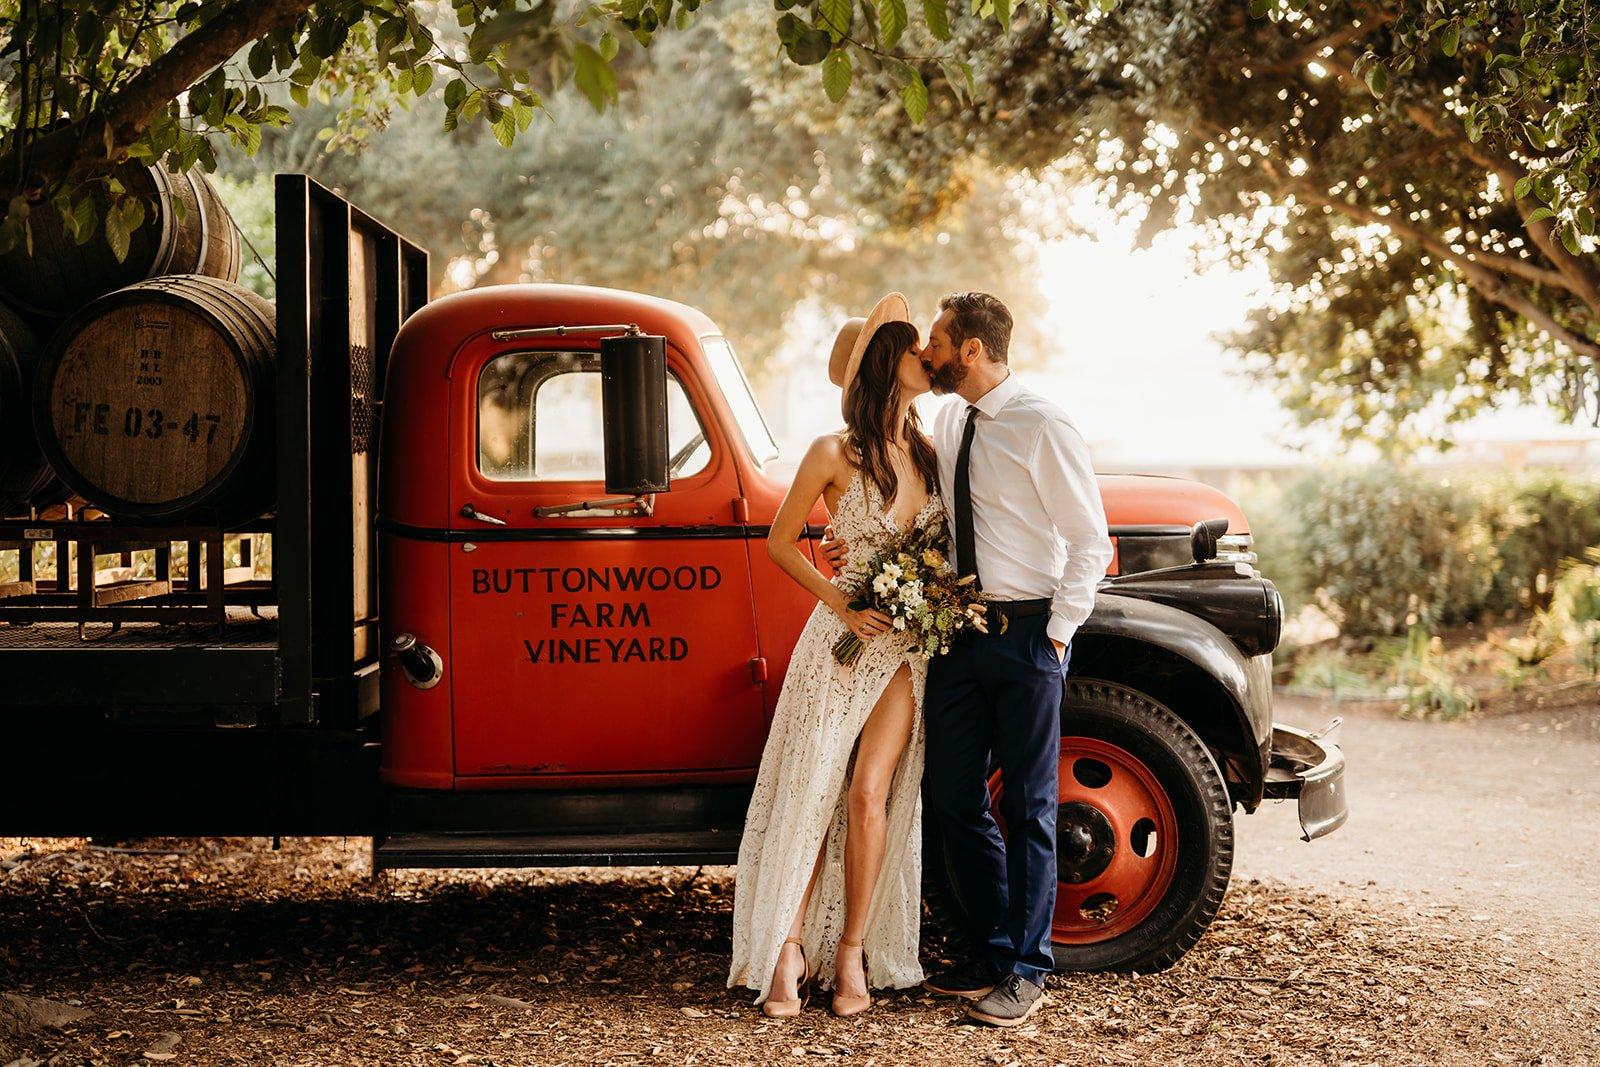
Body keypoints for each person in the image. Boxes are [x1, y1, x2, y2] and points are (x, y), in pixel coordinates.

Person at [824, 291, 1113, 1027]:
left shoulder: (1043, 423)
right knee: (953, 796)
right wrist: (847, 541)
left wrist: (1055, 634)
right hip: (957, 630)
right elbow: (919, 510)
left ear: (972, 350)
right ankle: (991, 944)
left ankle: (1026, 968)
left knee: (1030, 805)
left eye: (939, 344)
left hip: (1026, 634)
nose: (929, 355)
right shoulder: (951, 420)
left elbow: (1089, 540)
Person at [728, 293, 943, 1019]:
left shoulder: (929, 450)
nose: (928, 359)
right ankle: (787, 949)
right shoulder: (832, 452)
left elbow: (944, 547)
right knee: (816, 787)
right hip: (844, 642)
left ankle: (851, 950)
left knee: (868, 792)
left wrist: (931, 591)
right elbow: (780, 542)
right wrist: (842, 598)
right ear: (888, 362)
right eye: (916, 350)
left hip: (908, 649)